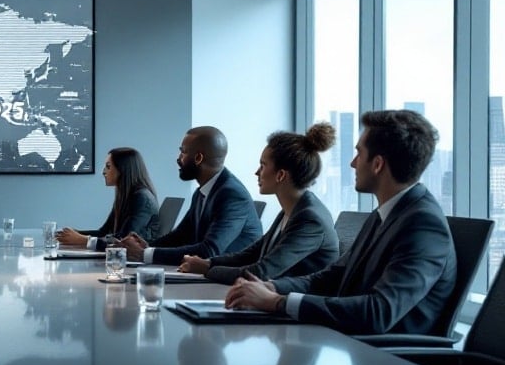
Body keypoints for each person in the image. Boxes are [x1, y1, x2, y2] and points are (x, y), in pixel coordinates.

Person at [226, 110, 457, 335]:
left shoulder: (423, 225)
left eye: (358, 153)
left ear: (377, 164)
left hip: (388, 359)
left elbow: (379, 312)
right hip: (351, 342)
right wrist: (273, 288)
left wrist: (278, 302)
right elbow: (333, 277)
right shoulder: (385, 214)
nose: (353, 163)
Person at [178, 123, 340, 284]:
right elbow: (251, 254)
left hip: (293, 305)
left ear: (280, 175)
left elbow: (262, 272)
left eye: (262, 165)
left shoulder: (309, 218)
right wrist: (208, 263)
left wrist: (207, 270)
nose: (257, 172)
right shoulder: (292, 210)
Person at [119, 126, 262, 264]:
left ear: (198, 158)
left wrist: (144, 254)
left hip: (230, 281)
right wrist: (146, 247)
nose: (178, 158)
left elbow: (209, 251)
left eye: (183, 152)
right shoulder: (202, 192)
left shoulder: (232, 195)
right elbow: (180, 236)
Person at [57, 147, 161, 248]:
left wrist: (83, 240)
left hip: (134, 262)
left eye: (108, 166)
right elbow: (103, 232)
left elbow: (124, 240)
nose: (103, 172)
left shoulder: (142, 198)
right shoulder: (126, 197)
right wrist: (71, 234)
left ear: (122, 170)